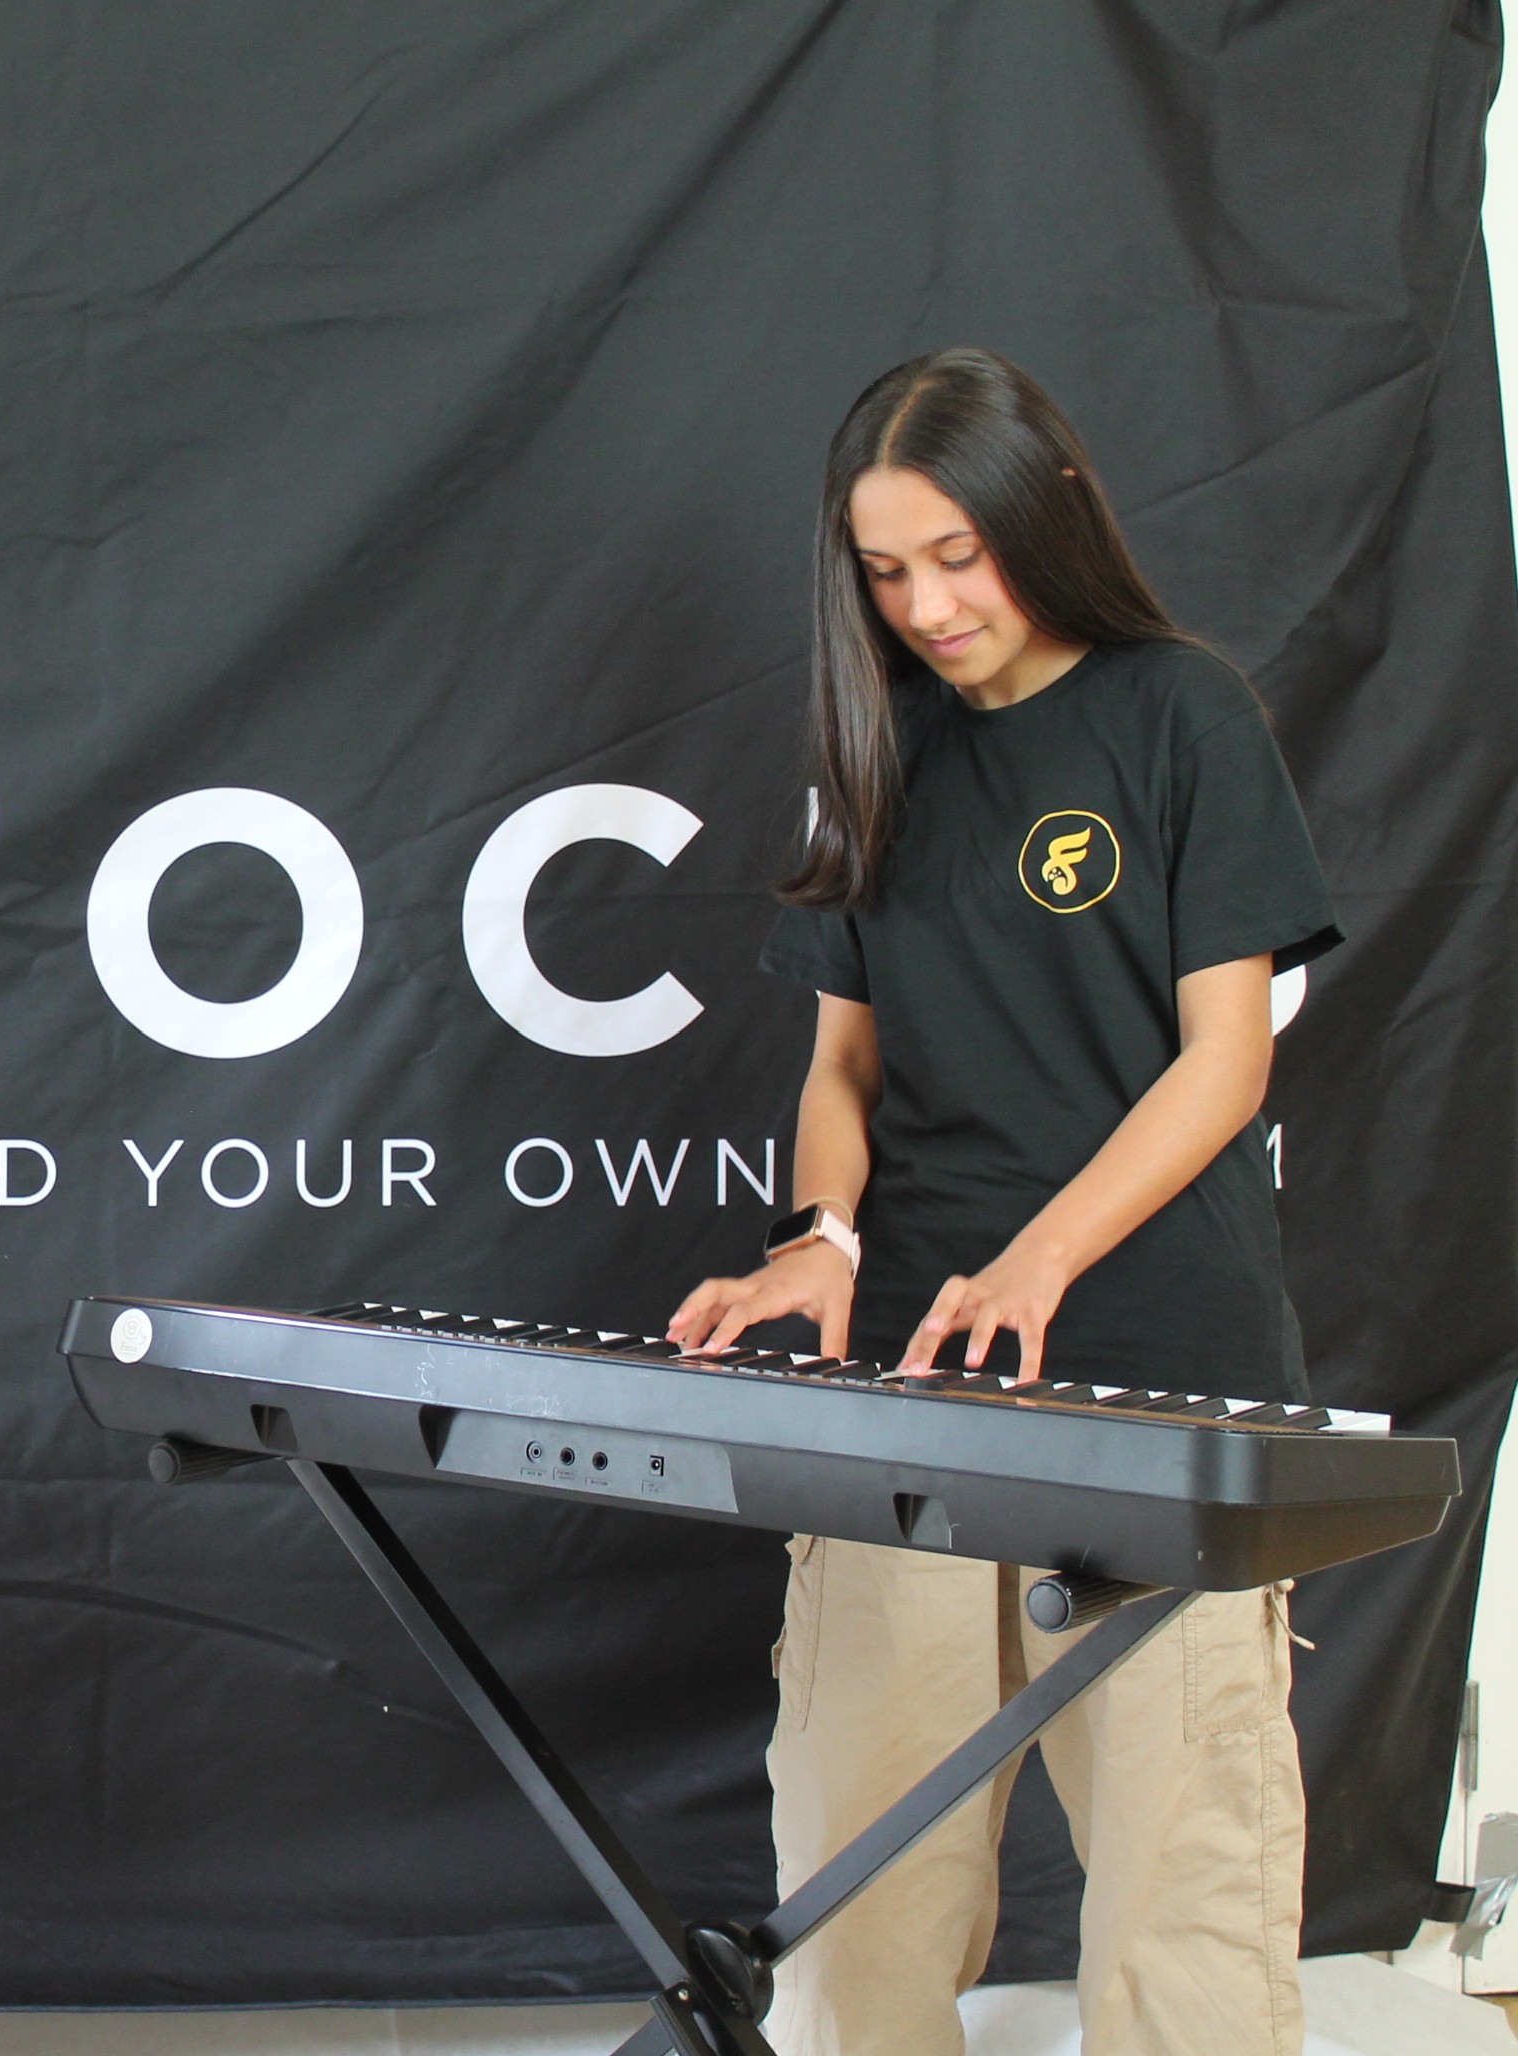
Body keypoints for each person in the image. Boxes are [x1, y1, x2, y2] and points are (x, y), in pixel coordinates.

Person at [665, 348, 1338, 2056]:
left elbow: (1224, 1061)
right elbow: (841, 1076)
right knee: (854, 1896)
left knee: (1183, 1910)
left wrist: (1037, 1260)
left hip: (1156, 1379)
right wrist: (816, 1245)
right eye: (885, 573)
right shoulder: (883, 756)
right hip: (910, 1388)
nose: (927, 605)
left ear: (1046, 510)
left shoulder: (1182, 713)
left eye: (955, 555)